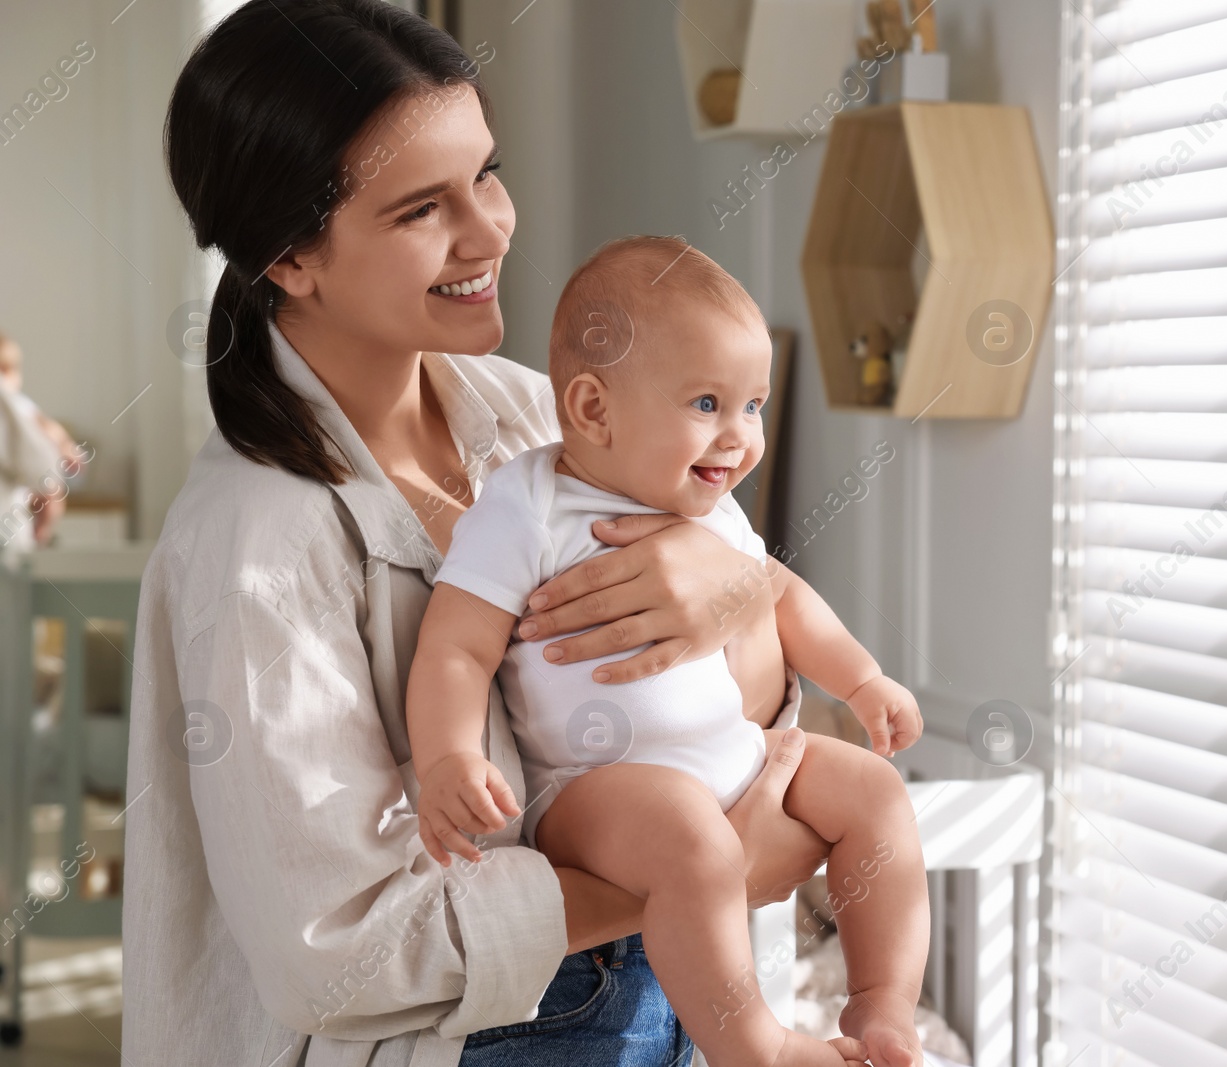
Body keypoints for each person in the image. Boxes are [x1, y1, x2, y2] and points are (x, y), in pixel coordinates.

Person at [124, 2, 829, 1064]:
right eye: (422, 209)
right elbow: (332, 950)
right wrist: (700, 863)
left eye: (486, 176)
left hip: (681, 1001)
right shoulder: (255, 544)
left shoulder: (540, 416)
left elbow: (731, 692)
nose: (493, 228)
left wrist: (734, 589)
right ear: (290, 258)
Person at [408, 236, 930, 1067]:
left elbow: (781, 597)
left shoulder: (716, 514)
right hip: (590, 791)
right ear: (592, 409)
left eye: (753, 406)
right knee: (694, 840)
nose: (739, 438)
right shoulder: (528, 506)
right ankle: (756, 1045)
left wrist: (862, 678)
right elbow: (456, 648)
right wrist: (447, 758)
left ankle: (882, 1004)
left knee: (873, 788)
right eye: (707, 403)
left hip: (737, 758)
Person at [0, 332, 87, 547]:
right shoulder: (13, 402)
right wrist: (64, 444)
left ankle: (42, 535)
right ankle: (42, 535)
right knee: (51, 494)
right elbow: (47, 438)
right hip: (12, 521)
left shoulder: (16, 405)